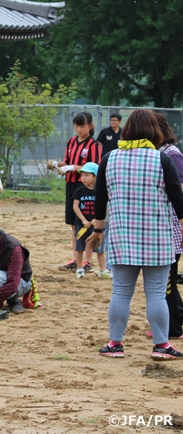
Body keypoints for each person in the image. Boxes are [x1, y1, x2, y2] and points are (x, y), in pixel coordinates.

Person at [88, 109, 183, 360]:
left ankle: (115, 344)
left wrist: (98, 229)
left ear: (127, 130)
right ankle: (161, 345)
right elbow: (178, 200)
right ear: (155, 132)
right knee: (156, 294)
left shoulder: (109, 159)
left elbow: (100, 199)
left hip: (122, 236)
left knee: (120, 292)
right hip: (157, 237)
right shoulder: (162, 160)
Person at [47, 112, 101, 273]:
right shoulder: (71, 141)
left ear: (90, 126)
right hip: (72, 187)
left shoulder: (94, 145)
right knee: (74, 225)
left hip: (87, 188)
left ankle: (88, 261)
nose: (79, 129)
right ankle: (76, 258)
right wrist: (57, 164)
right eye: (76, 126)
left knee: (89, 225)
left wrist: (72, 168)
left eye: (82, 126)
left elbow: (94, 166)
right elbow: (68, 162)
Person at [151, 113, 183, 340]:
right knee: (166, 279)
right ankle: (176, 319)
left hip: (172, 227)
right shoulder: (157, 154)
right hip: (162, 225)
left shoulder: (171, 154)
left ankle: (173, 328)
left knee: (167, 280)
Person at [72, 162, 110, 279]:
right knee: (79, 248)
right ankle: (79, 269)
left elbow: (106, 206)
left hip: (97, 225)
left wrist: (97, 220)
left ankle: (103, 270)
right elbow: (75, 206)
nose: (83, 178)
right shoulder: (79, 191)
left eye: (87, 175)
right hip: (82, 224)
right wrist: (83, 220)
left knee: (99, 249)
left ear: (95, 177)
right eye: (82, 175)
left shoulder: (101, 191)